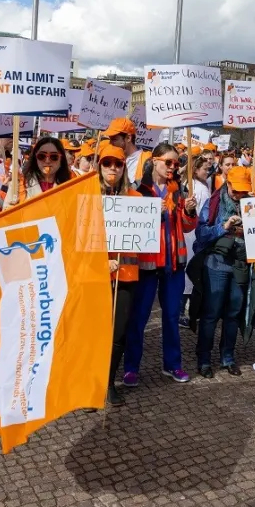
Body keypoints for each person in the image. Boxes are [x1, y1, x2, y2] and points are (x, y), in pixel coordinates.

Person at [123, 143, 198, 385]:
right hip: (146, 265)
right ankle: (131, 367)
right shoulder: (138, 189)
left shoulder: (180, 190)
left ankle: (173, 365)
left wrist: (189, 212)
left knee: (172, 316)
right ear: (154, 160)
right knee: (139, 317)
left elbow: (188, 227)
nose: (173, 167)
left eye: (176, 163)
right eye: (168, 162)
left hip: (174, 264)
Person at [193, 166, 255, 378]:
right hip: (216, 262)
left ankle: (227, 357)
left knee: (233, 313)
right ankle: (203, 359)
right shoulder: (214, 203)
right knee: (211, 314)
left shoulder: (254, 205)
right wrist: (224, 226)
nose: (239, 195)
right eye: (236, 190)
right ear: (227, 183)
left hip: (240, 263)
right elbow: (201, 233)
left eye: (243, 191)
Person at [98, 142, 142, 407]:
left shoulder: (135, 199)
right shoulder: (88, 196)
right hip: (94, 276)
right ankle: (91, 385)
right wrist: (101, 264)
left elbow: (144, 238)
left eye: (117, 163)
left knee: (118, 333)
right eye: (107, 163)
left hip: (126, 275)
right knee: (94, 332)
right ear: (99, 166)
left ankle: (108, 382)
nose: (112, 168)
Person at [181, 151, 212, 330]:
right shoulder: (199, 189)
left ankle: (184, 310)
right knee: (190, 274)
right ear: (196, 169)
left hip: (189, 233)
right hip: (193, 233)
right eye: (205, 170)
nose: (207, 173)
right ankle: (185, 312)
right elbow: (204, 215)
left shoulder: (191, 184)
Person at [8, 136, 72, 205]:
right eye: (42, 156)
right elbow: (6, 212)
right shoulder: (18, 184)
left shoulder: (72, 184)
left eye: (54, 156)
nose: (47, 161)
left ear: (61, 160)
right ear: (35, 159)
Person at [104, 118, 151, 187]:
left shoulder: (147, 159)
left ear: (128, 138)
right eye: (110, 139)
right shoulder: (110, 160)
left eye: (114, 139)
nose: (110, 143)